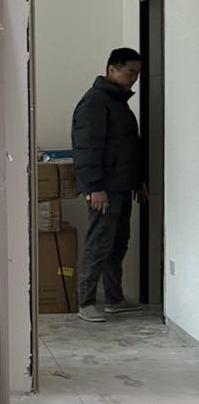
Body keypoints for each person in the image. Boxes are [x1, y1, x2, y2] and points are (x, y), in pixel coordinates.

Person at [71, 48, 147, 323]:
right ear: (111, 69)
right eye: (130, 72)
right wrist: (94, 187)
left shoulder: (117, 102)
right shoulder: (95, 102)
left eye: (137, 73)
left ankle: (114, 300)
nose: (134, 78)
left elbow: (127, 148)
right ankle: (86, 302)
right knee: (99, 244)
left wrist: (138, 181)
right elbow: (87, 148)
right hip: (104, 190)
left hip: (121, 186)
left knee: (118, 245)